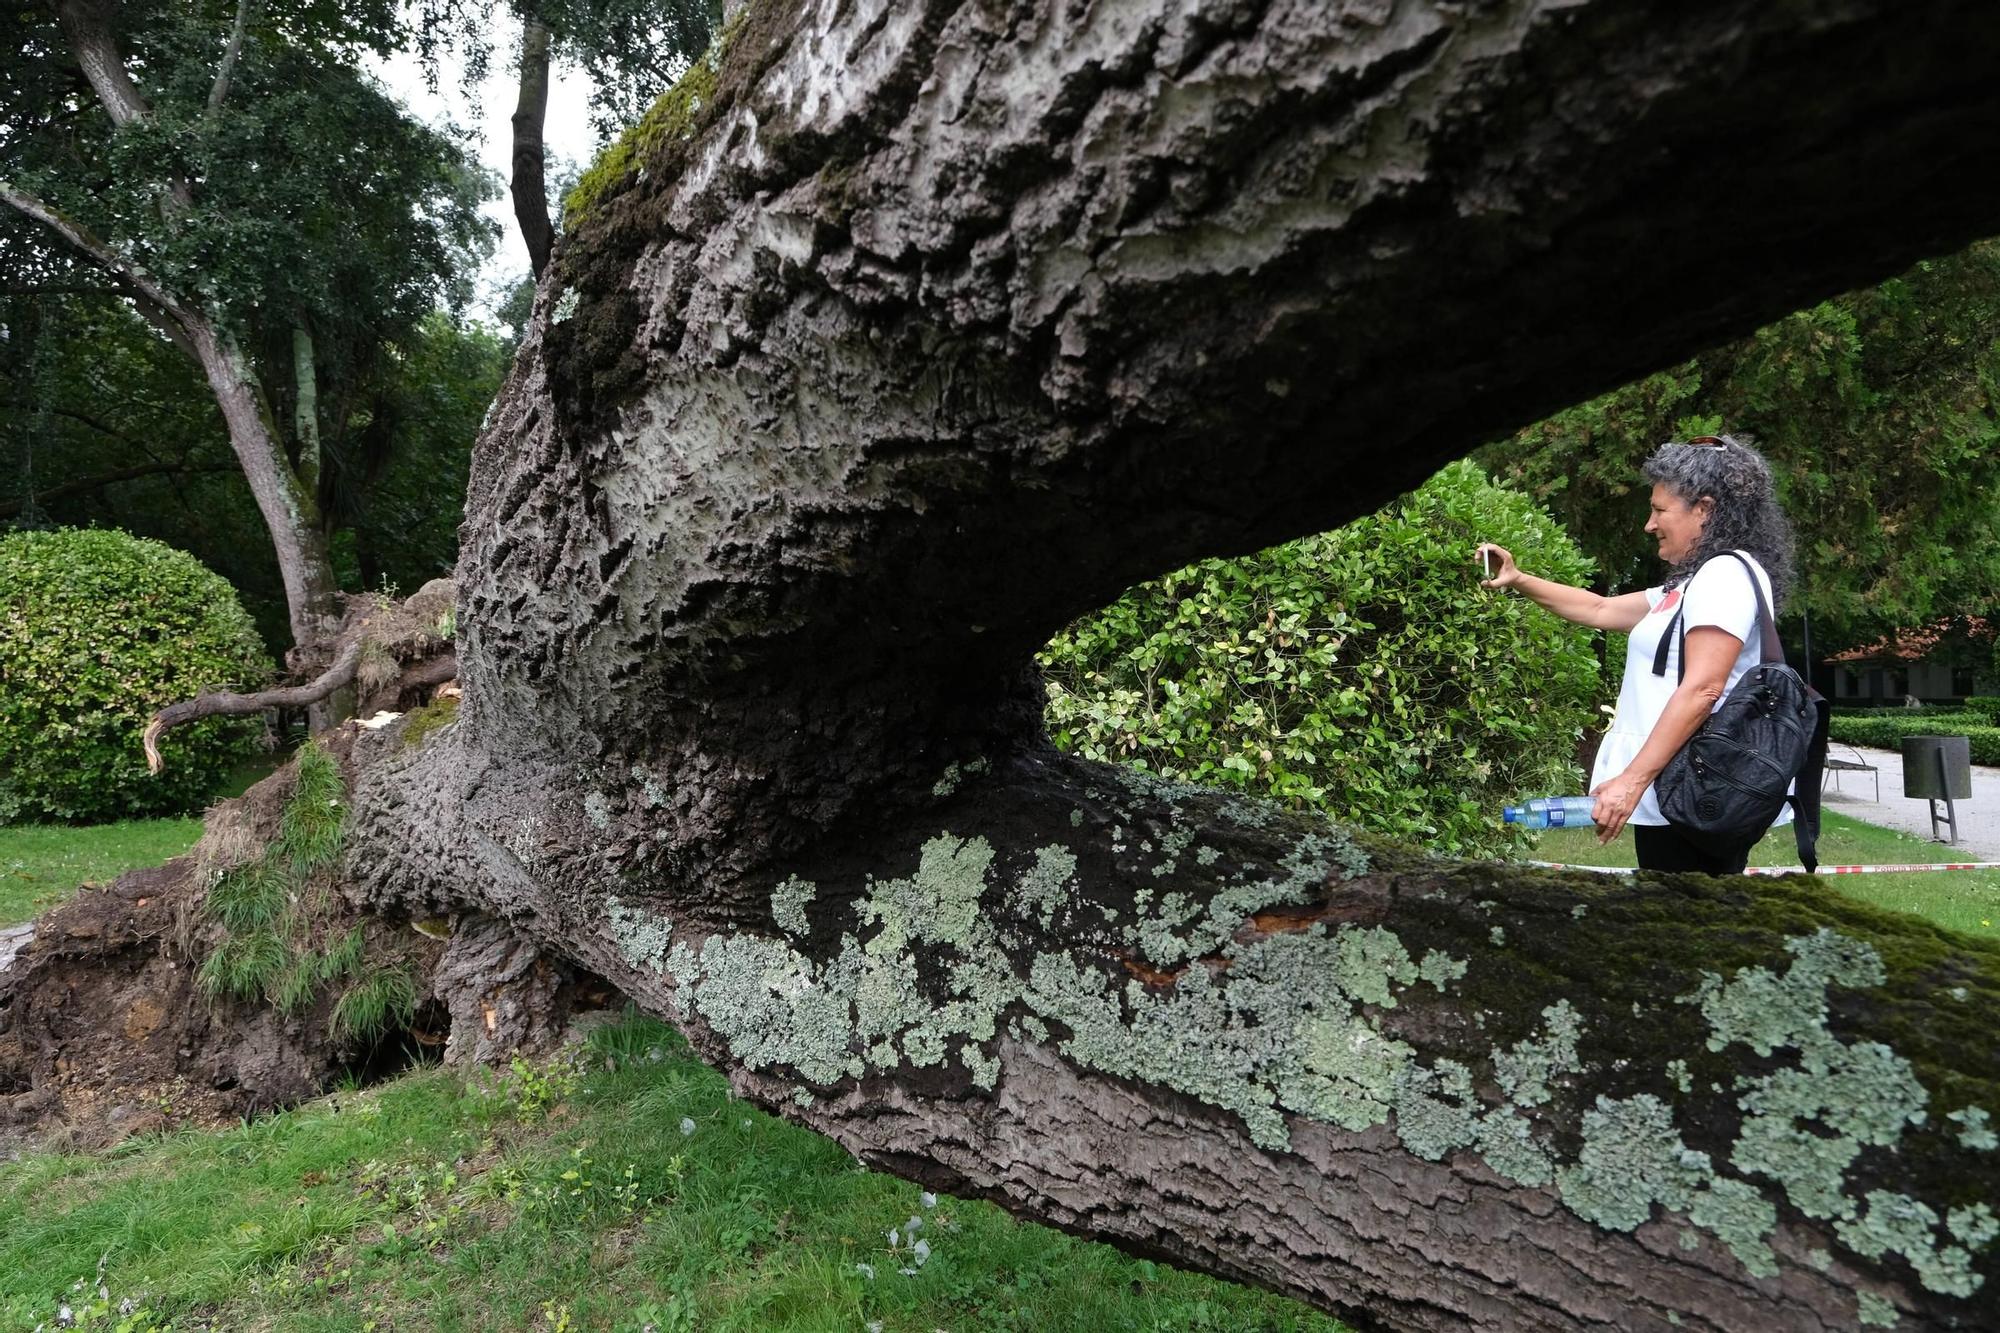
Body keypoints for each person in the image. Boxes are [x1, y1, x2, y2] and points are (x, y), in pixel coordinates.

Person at [1476, 435, 1797, 874]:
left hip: (1694, 785)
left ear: (1704, 510)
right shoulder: (1691, 584)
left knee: (1688, 922)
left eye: (1660, 510)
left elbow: (1704, 687)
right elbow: (1600, 608)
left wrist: (1631, 781)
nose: (1650, 524)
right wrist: (1518, 578)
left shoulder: (1723, 576)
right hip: (1679, 784)